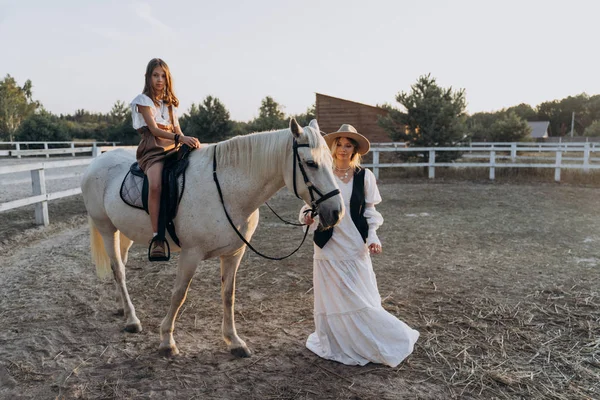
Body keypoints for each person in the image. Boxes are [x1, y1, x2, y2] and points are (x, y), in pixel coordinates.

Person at [299, 124, 419, 367]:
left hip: (354, 243)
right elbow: (307, 207)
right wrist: (307, 218)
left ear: (355, 150)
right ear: (332, 147)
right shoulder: (323, 173)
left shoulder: (365, 176)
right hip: (327, 243)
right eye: (339, 144)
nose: (343, 149)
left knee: (359, 295)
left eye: (348, 145)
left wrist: (373, 237)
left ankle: (375, 338)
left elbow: (370, 211)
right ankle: (338, 341)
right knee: (332, 295)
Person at [130, 58, 200, 260]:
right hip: (153, 149)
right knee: (155, 185)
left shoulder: (170, 104)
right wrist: (180, 138)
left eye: (163, 75)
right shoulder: (143, 101)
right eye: (155, 75)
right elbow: (153, 129)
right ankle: (157, 237)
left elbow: (177, 129)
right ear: (148, 77)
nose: (159, 80)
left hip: (173, 146)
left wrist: (188, 141)